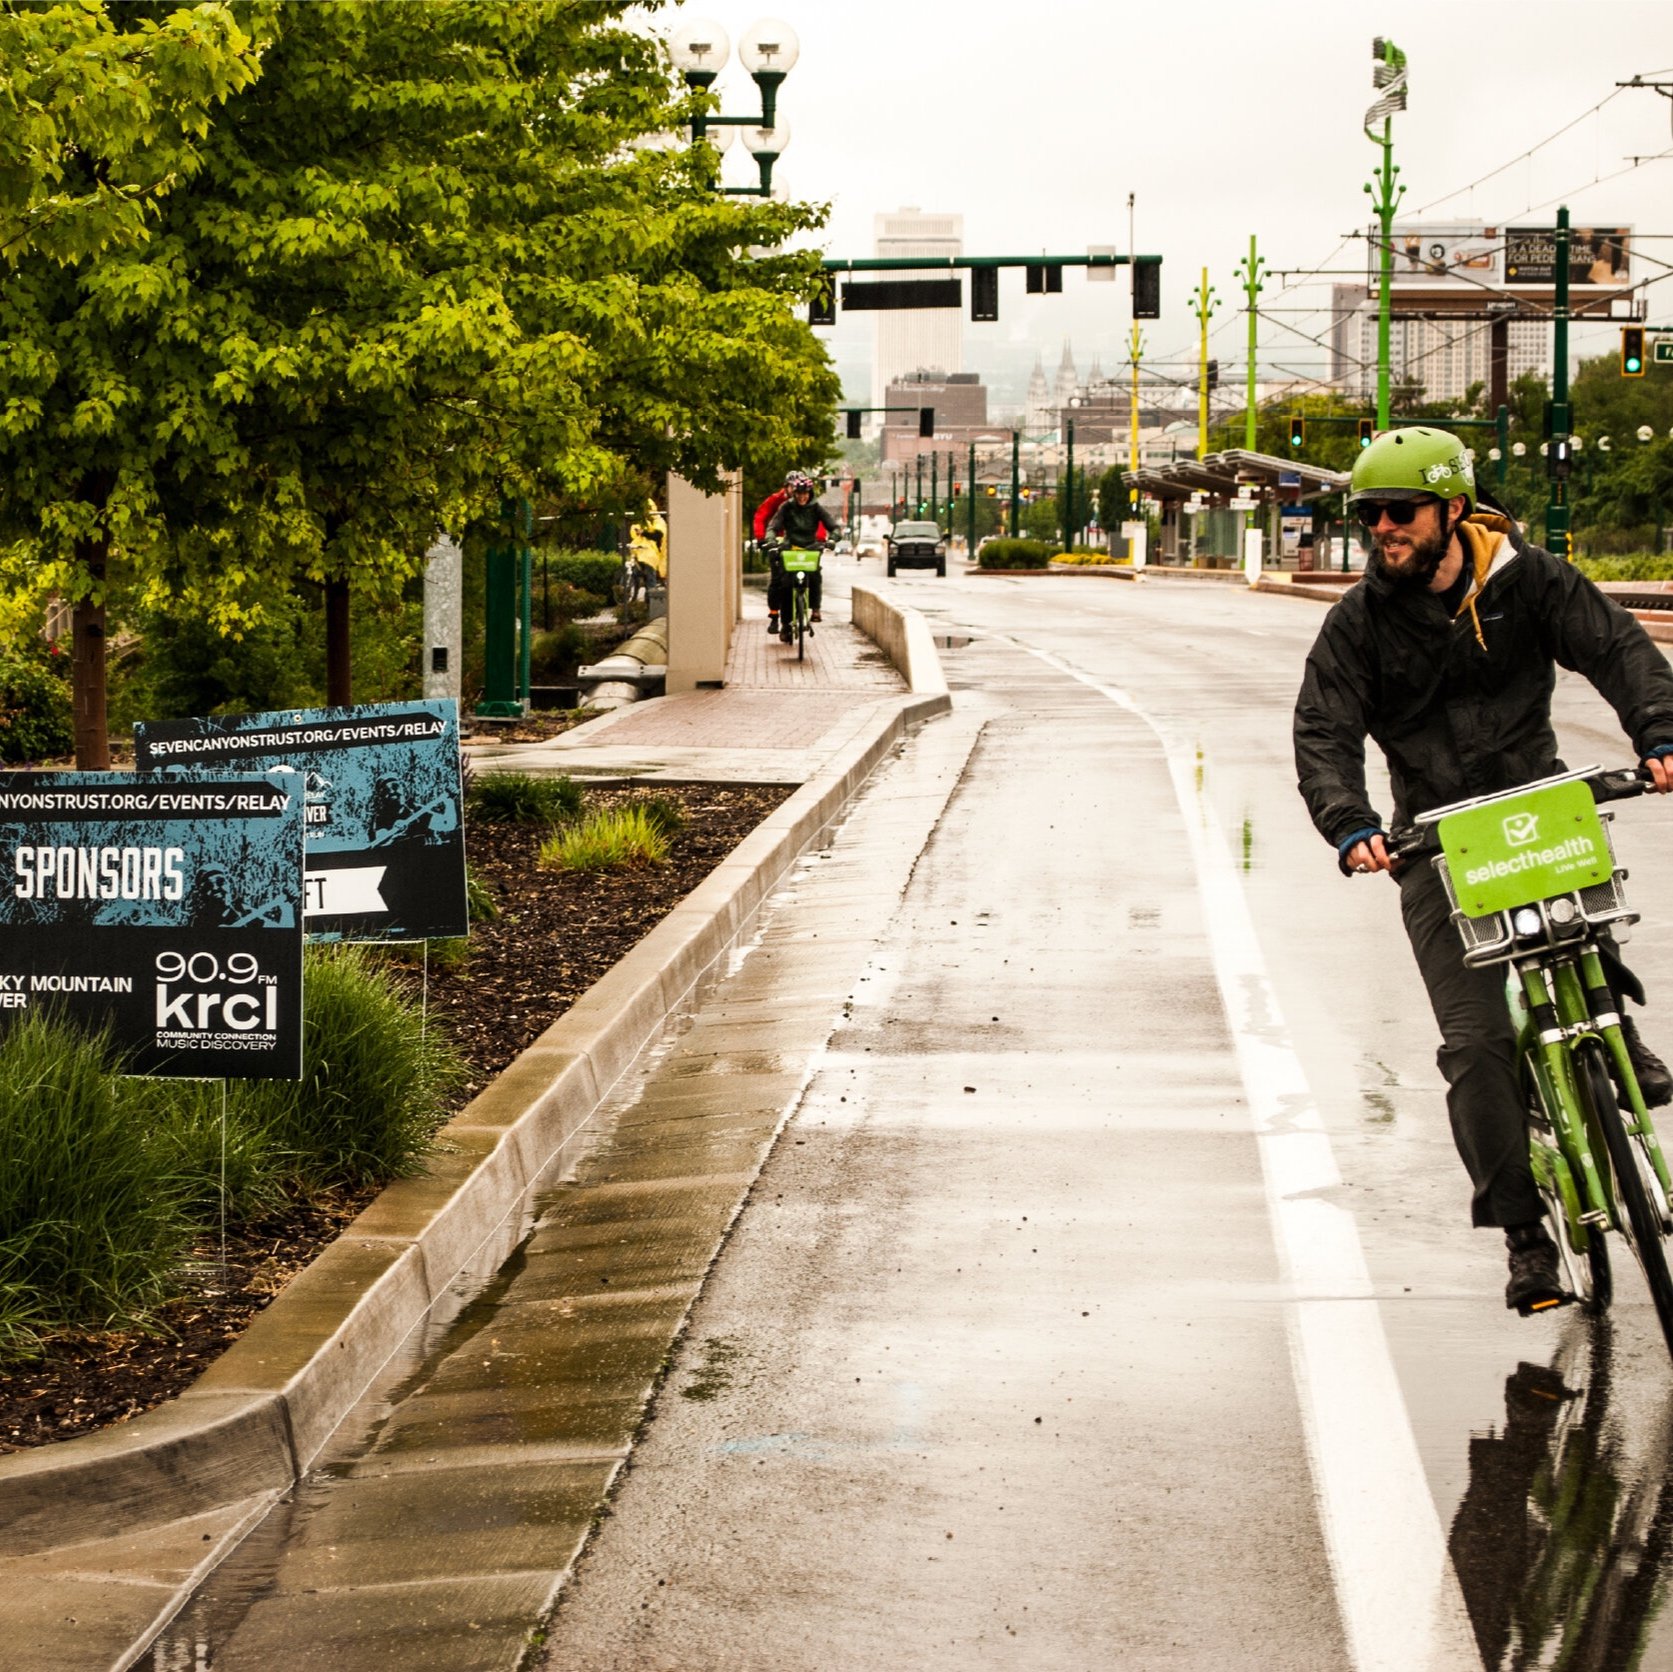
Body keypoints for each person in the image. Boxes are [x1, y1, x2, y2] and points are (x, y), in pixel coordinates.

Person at [1293, 426, 1673, 1315]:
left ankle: (1614, 1033)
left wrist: (1658, 735)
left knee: (1583, 929)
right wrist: (1350, 825)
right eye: (1367, 515)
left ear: (1452, 510)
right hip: (1432, 841)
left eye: (1398, 512)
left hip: (1540, 812)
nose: (1380, 529)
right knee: (1478, 1047)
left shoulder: (1529, 581)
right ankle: (1525, 1240)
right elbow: (1323, 732)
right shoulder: (1356, 624)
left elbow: (1617, 650)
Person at [764, 474, 834, 642]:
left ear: (810, 494)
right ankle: (786, 624)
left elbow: (833, 526)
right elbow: (773, 527)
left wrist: (832, 539)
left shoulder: (816, 508)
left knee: (815, 575)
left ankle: (815, 609)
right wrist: (772, 542)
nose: (802, 497)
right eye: (799, 494)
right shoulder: (786, 507)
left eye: (806, 494)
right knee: (786, 585)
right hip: (790, 549)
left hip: (810, 549)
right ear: (794, 494)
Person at [753, 470, 803, 637]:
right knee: (777, 581)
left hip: (798, 543)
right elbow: (761, 517)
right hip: (778, 542)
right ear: (786, 487)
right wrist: (762, 539)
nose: (796, 491)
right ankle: (775, 615)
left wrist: (820, 539)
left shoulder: (805, 502)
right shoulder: (776, 500)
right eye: (792, 487)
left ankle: (805, 608)